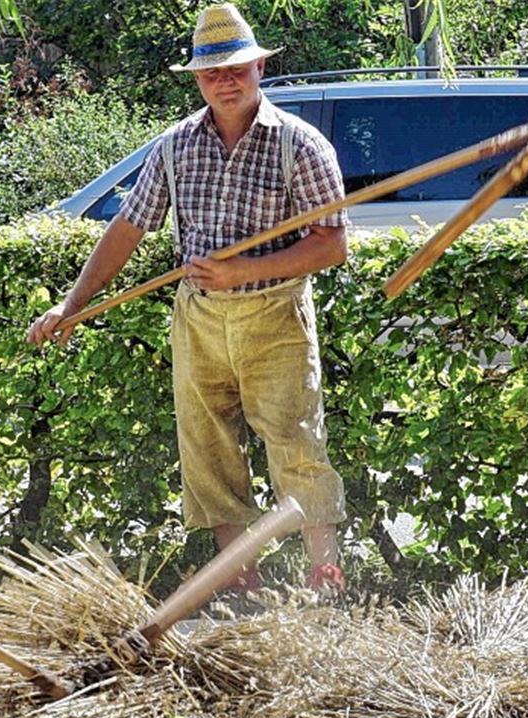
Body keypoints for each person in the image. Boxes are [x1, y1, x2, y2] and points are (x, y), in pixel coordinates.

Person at [28, 4, 348, 592]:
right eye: (212, 73)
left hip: (275, 314)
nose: (225, 81)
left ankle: (323, 582)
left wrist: (243, 271)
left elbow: (331, 246)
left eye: (237, 69)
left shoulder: (300, 146)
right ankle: (240, 585)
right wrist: (69, 306)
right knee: (208, 452)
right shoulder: (175, 146)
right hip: (198, 320)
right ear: (197, 80)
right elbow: (127, 228)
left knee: (296, 444)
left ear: (259, 70)